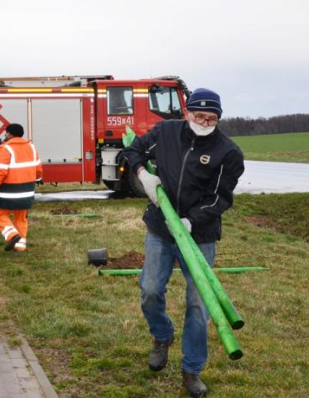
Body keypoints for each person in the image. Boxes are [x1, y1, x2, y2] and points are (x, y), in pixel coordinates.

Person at [123, 88, 245, 398]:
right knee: (150, 290)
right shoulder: (165, 132)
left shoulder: (228, 152)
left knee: (198, 303)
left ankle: (192, 370)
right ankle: (162, 336)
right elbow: (133, 150)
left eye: (212, 118)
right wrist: (143, 175)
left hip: (199, 234)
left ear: (219, 118)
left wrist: (192, 220)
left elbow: (221, 198)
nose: (204, 122)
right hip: (160, 228)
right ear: (187, 112)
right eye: (198, 115)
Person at [0, 123, 43, 252]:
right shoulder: (32, 148)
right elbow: (38, 167)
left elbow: (0, 171)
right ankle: (20, 246)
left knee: (0, 216)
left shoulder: (6, 149)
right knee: (21, 218)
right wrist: (39, 178)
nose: (4, 135)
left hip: (8, 191)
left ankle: (12, 235)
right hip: (26, 191)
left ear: (10, 134)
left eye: (6, 132)